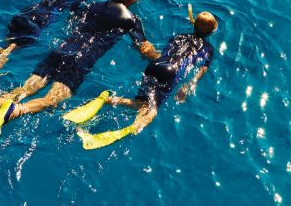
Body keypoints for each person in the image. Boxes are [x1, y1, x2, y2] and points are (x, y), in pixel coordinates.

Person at [0, 0, 159, 161]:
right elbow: (144, 48)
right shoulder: (131, 19)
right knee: (51, 101)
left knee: (23, 89)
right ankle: (15, 111)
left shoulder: (92, 6)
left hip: (60, 50)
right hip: (80, 61)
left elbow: (73, 19)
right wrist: (159, 57)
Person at [73, 11, 218, 149]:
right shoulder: (208, 49)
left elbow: (166, 52)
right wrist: (187, 87)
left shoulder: (179, 37)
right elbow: (201, 70)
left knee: (142, 103)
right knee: (152, 111)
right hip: (171, 73)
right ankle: (133, 128)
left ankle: (107, 100)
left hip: (155, 66)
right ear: (211, 32)